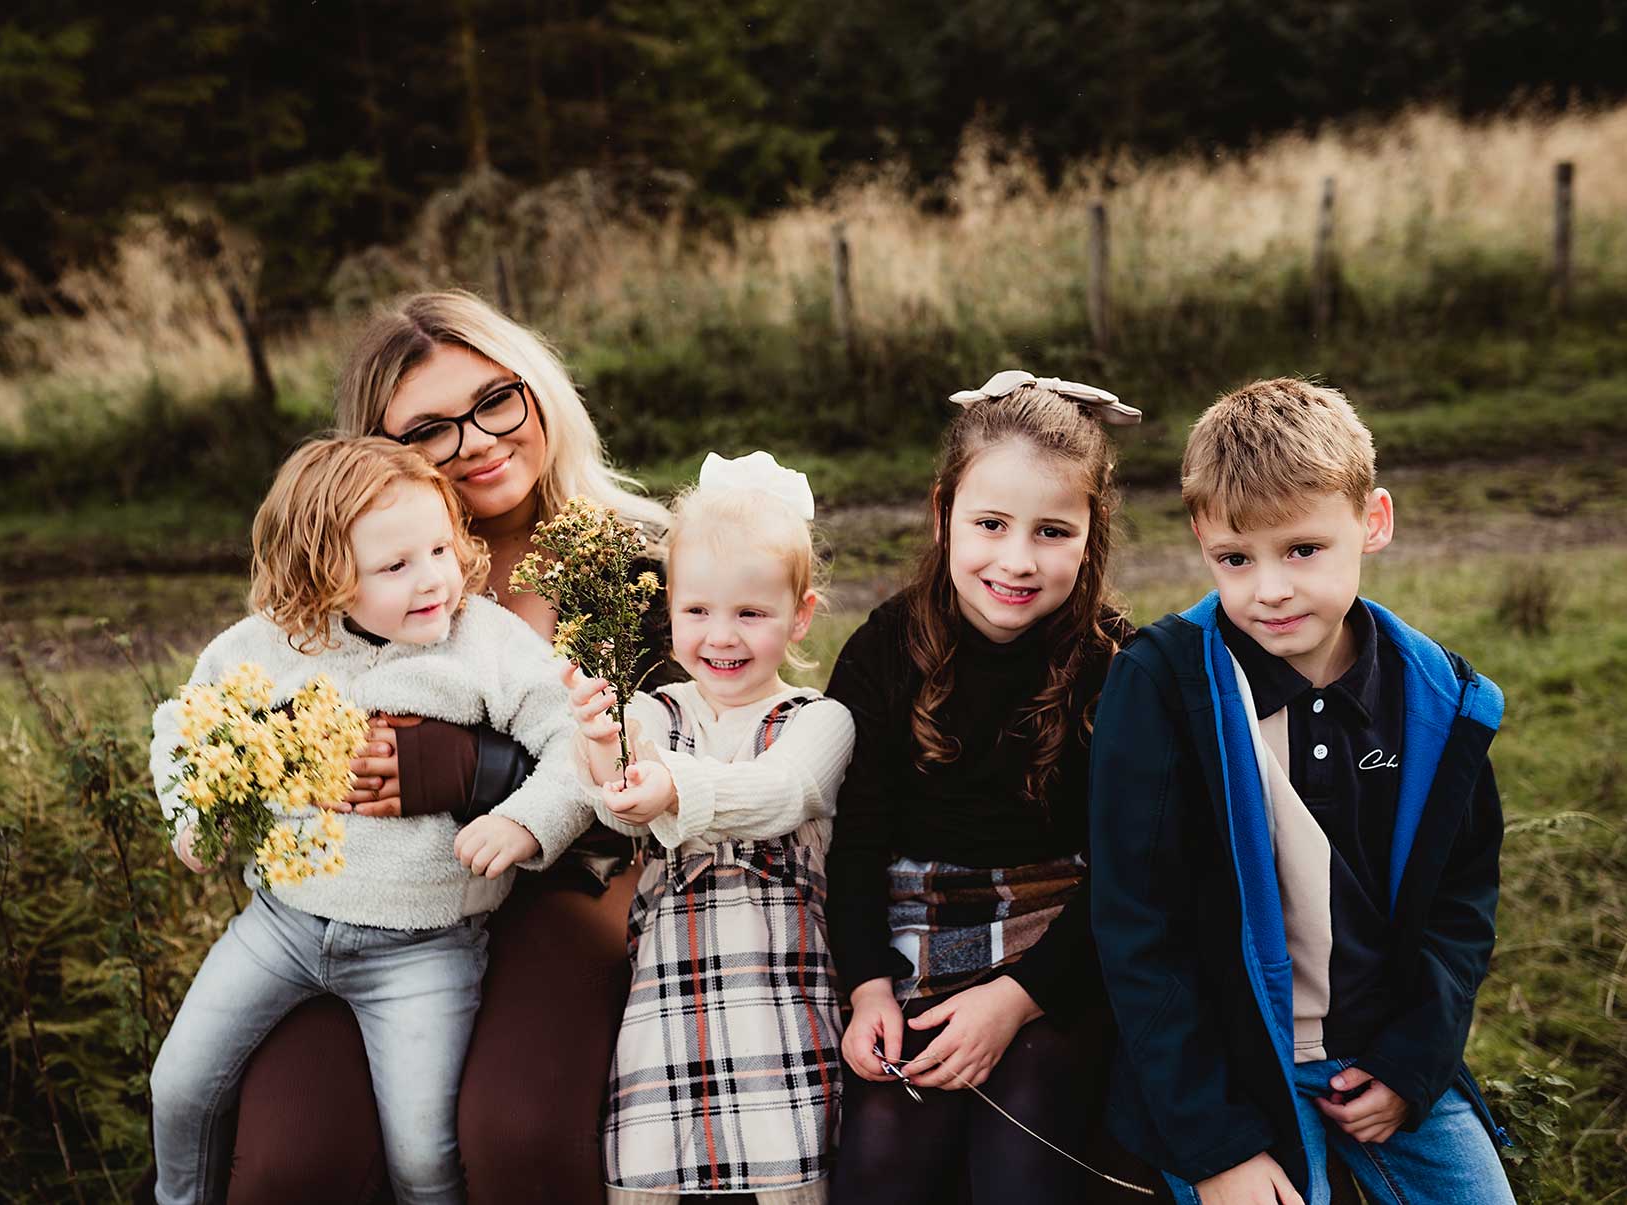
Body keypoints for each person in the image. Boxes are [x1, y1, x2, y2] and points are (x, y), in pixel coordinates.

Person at [217, 290, 675, 1205]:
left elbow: (695, 757)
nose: (474, 441)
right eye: (428, 429)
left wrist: (474, 770)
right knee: (290, 1163)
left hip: (573, 886)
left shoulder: (645, 559)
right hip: (376, 895)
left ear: (538, 392)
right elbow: (241, 712)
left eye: (494, 400)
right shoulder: (349, 583)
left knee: (516, 1133)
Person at [1088, 378, 1516, 1205]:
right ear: (1199, 539)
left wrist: (1411, 1064)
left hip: (1378, 1051)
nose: (1269, 590)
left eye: (1303, 550)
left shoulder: (1437, 698)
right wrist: (1217, 1150)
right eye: (1235, 559)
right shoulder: (1159, 686)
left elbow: (1461, 903)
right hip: (1227, 1066)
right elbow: (1137, 930)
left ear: (1373, 521)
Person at [148, 437, 591, 1204]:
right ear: (320, 577)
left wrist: (523, 821)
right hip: (280, 924)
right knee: (180, 1085)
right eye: (395, 567)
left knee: (422, 1153)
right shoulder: (266, 648)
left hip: (424, 946)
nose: (433, 580)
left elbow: (576, 747)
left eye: (440, 549)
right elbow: (184, 727)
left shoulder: (482, 643)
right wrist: (193, 810)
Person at [824, 372, 1151, 1204]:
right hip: (913, 935)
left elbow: (1129, 873)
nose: (1016, 559)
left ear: (1090, 533)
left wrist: (1016, 1000)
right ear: (942, 514)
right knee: (882, 1168)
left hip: (1062, 947)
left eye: (1050, 531)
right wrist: (866, 988)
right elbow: (853, 841)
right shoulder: (882, 649)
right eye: (990, 524)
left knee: (1022, 1169)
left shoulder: (1119, 667)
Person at [565, 451, 854, 1205]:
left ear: (800, 615)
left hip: (777, 1001)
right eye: (697, 611)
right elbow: (612, 791)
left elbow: (781, 791)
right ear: (670, 609)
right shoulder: (659, 712)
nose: (720, 636)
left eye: (750, 613)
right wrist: (600, 739)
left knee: (787, 1176)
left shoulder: (818, 720)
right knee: (651, 1173)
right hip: (665, 999)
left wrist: (672, 786)